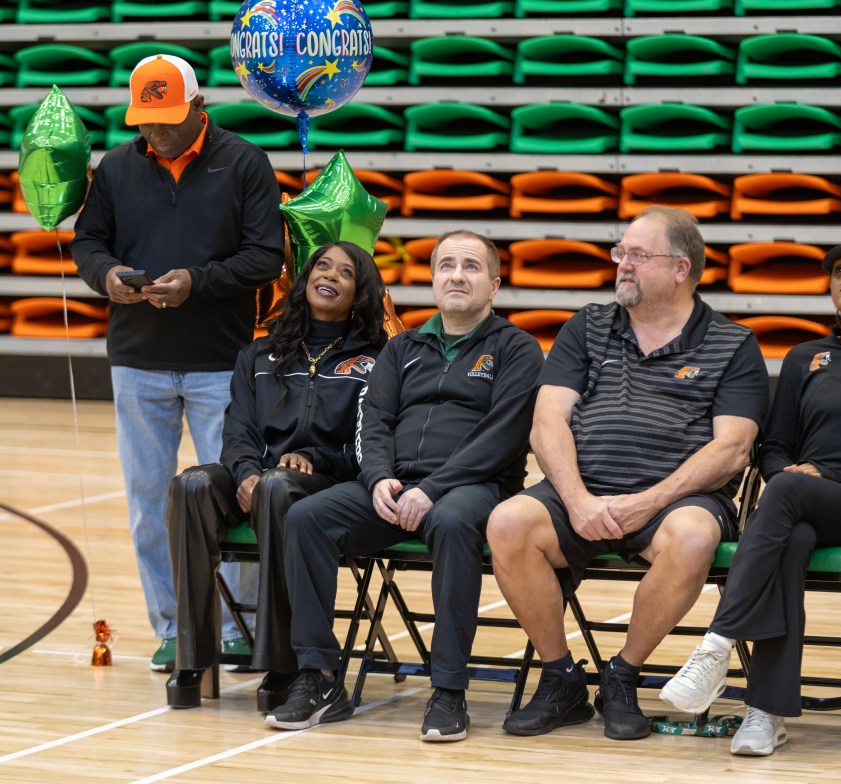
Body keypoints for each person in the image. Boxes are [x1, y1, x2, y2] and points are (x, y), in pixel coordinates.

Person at [486, 206, 769, 741]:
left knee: (693, 535)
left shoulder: (732, 343)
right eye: (622, 252)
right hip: (580, 494)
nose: (623, 264)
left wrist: (649, 501)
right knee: (507, 522)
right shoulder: (587, 325)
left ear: (681, 268)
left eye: (638, 255)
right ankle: (560, 678)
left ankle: (622, 675)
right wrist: (576, 499)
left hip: (675, 503)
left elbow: (732, 449)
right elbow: (547, 421)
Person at [265, 230, 544, 741]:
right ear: (433, 279)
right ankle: (319, 675)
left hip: (474, 488)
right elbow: (373, 422)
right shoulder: (402, 347)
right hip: (394, 486)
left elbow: (503, 436)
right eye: (446, 266)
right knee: (306, 517)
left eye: (471, 266)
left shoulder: (517, 348)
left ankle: (449, 688)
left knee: (452, 522)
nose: (456, 276)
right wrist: (377, 479)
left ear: (494, 285)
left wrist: (432, 489)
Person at [660, 236, 841, 755]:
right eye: (840, 270)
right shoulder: (804, 357)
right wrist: (793, 474)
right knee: (790, 540)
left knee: (787, 491)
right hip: (799, 505)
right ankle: (766, 712)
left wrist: (821, 474)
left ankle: (717, 643)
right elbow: (776, 446)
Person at [71, 53, 284, 670]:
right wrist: (107, 276)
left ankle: (239, 624)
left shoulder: (244, 162)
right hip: (137, 359)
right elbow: (88, 242)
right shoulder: (116, 167)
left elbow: (265, 256)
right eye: (145, 120)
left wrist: (197, 281)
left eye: (166, 119)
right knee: (148, 504)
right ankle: (174, 628)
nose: (155, 131)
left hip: (223, 361)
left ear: (197, 106)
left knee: (239, 494)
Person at [164, 242, 388, 711]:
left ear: (361, 293)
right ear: (304, 280)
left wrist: (314, 457)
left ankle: (282, 662)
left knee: (278, 486)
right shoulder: (258, 353)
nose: (330, 275)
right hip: (259, 478)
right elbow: (237, 431)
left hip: (326, 483)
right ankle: (192, 658)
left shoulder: (376, 361)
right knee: (192, 484)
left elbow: (369, 445)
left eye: (345, 272)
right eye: (322, 266)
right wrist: (245, 473)